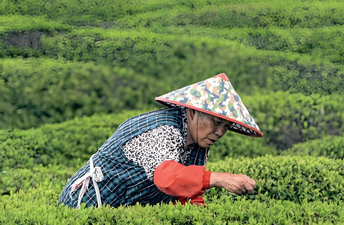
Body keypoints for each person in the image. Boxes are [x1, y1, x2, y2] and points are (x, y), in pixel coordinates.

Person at [58, 73, 262, 209]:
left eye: (226, 127)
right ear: (193, 112)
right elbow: (168, 177)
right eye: (216, 122)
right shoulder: (165, 131)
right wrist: (218, 178)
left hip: (121, 211)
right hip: (85, 205)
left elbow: (183, 191)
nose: (219, 132)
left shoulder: (197, 142)